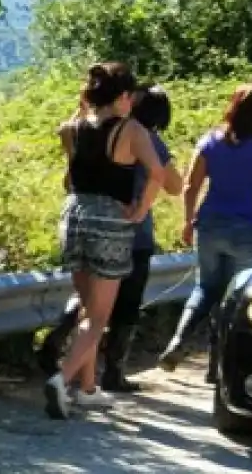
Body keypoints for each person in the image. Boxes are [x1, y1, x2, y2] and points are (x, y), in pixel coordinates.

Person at [41, 63, 169, 418]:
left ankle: (87, 388)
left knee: (85, 306)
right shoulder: (132, 131)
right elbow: (158, 173)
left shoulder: (74, 128)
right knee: (99, 316)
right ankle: (62, 380)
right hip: (110, 222)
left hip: (74, 216)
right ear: (124, 97)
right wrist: (141, 208)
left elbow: (71, 179)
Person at [156, 82, 252, 376]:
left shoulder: (210, 141)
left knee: (205, 287)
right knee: (235, 296)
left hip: (211, 225)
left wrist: (188, 220)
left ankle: (179, 339)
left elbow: (192, 186)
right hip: (250, 229)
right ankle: (217, 364)